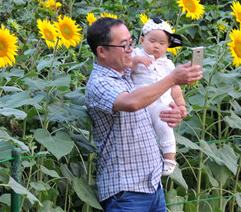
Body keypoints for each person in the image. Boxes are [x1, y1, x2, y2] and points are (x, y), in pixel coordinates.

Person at [85, 17, 202, 211]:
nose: (131, 49)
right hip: (125, 193)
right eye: (124, 45)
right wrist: (172, 79)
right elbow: (132, 102)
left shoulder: (130, 75)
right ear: (102, 51)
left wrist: (174, 111)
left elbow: (152, 102)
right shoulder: (100, 82)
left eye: (131, 42)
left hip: (153, 186)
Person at [131, 18, 187, 177]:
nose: (156, 46)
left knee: (165, 126)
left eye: (162, 43)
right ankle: (141, 160)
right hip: (140, 103)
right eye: (152, 41)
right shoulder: (136, 54)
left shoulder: (168, 64)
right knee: (140, 134)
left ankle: (169, 159)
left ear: (168, 45)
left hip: (161, 104)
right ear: (142, 40)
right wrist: (136, 61)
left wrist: (181, 105)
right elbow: (125, 69)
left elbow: (175, 87)